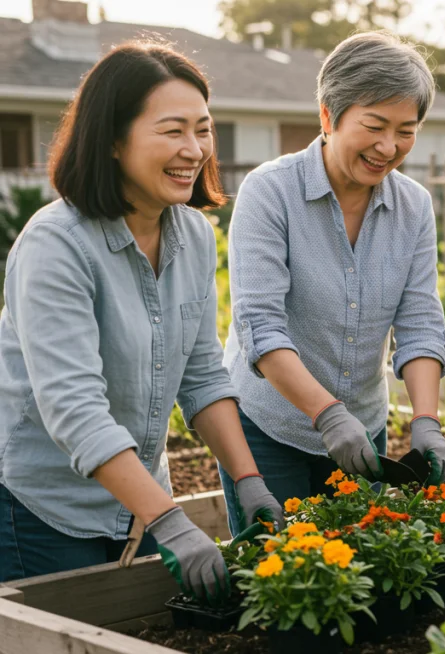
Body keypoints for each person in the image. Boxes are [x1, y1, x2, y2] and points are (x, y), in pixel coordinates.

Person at [0, 43, 281, 600]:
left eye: (203, 130)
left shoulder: (194, 236)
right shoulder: (56, 245)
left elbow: (202, 376)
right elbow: (75, 410)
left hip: (140, 501)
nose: (194, 149)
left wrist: (249, 481)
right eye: (172, 131)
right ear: (111, 139)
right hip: (43, 508)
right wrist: (172, 521)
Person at [221, 31, 445, 535]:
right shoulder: (270, 192)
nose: (389, 147)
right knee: (277, 581)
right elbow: (260, 326)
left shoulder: (413, 207)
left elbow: (418, 321)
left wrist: (426, 421)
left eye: (406, 131)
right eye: (374, 126)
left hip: (362, 429)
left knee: (358, 575)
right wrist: (325, 413)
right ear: (328, 116)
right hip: (268, 426)